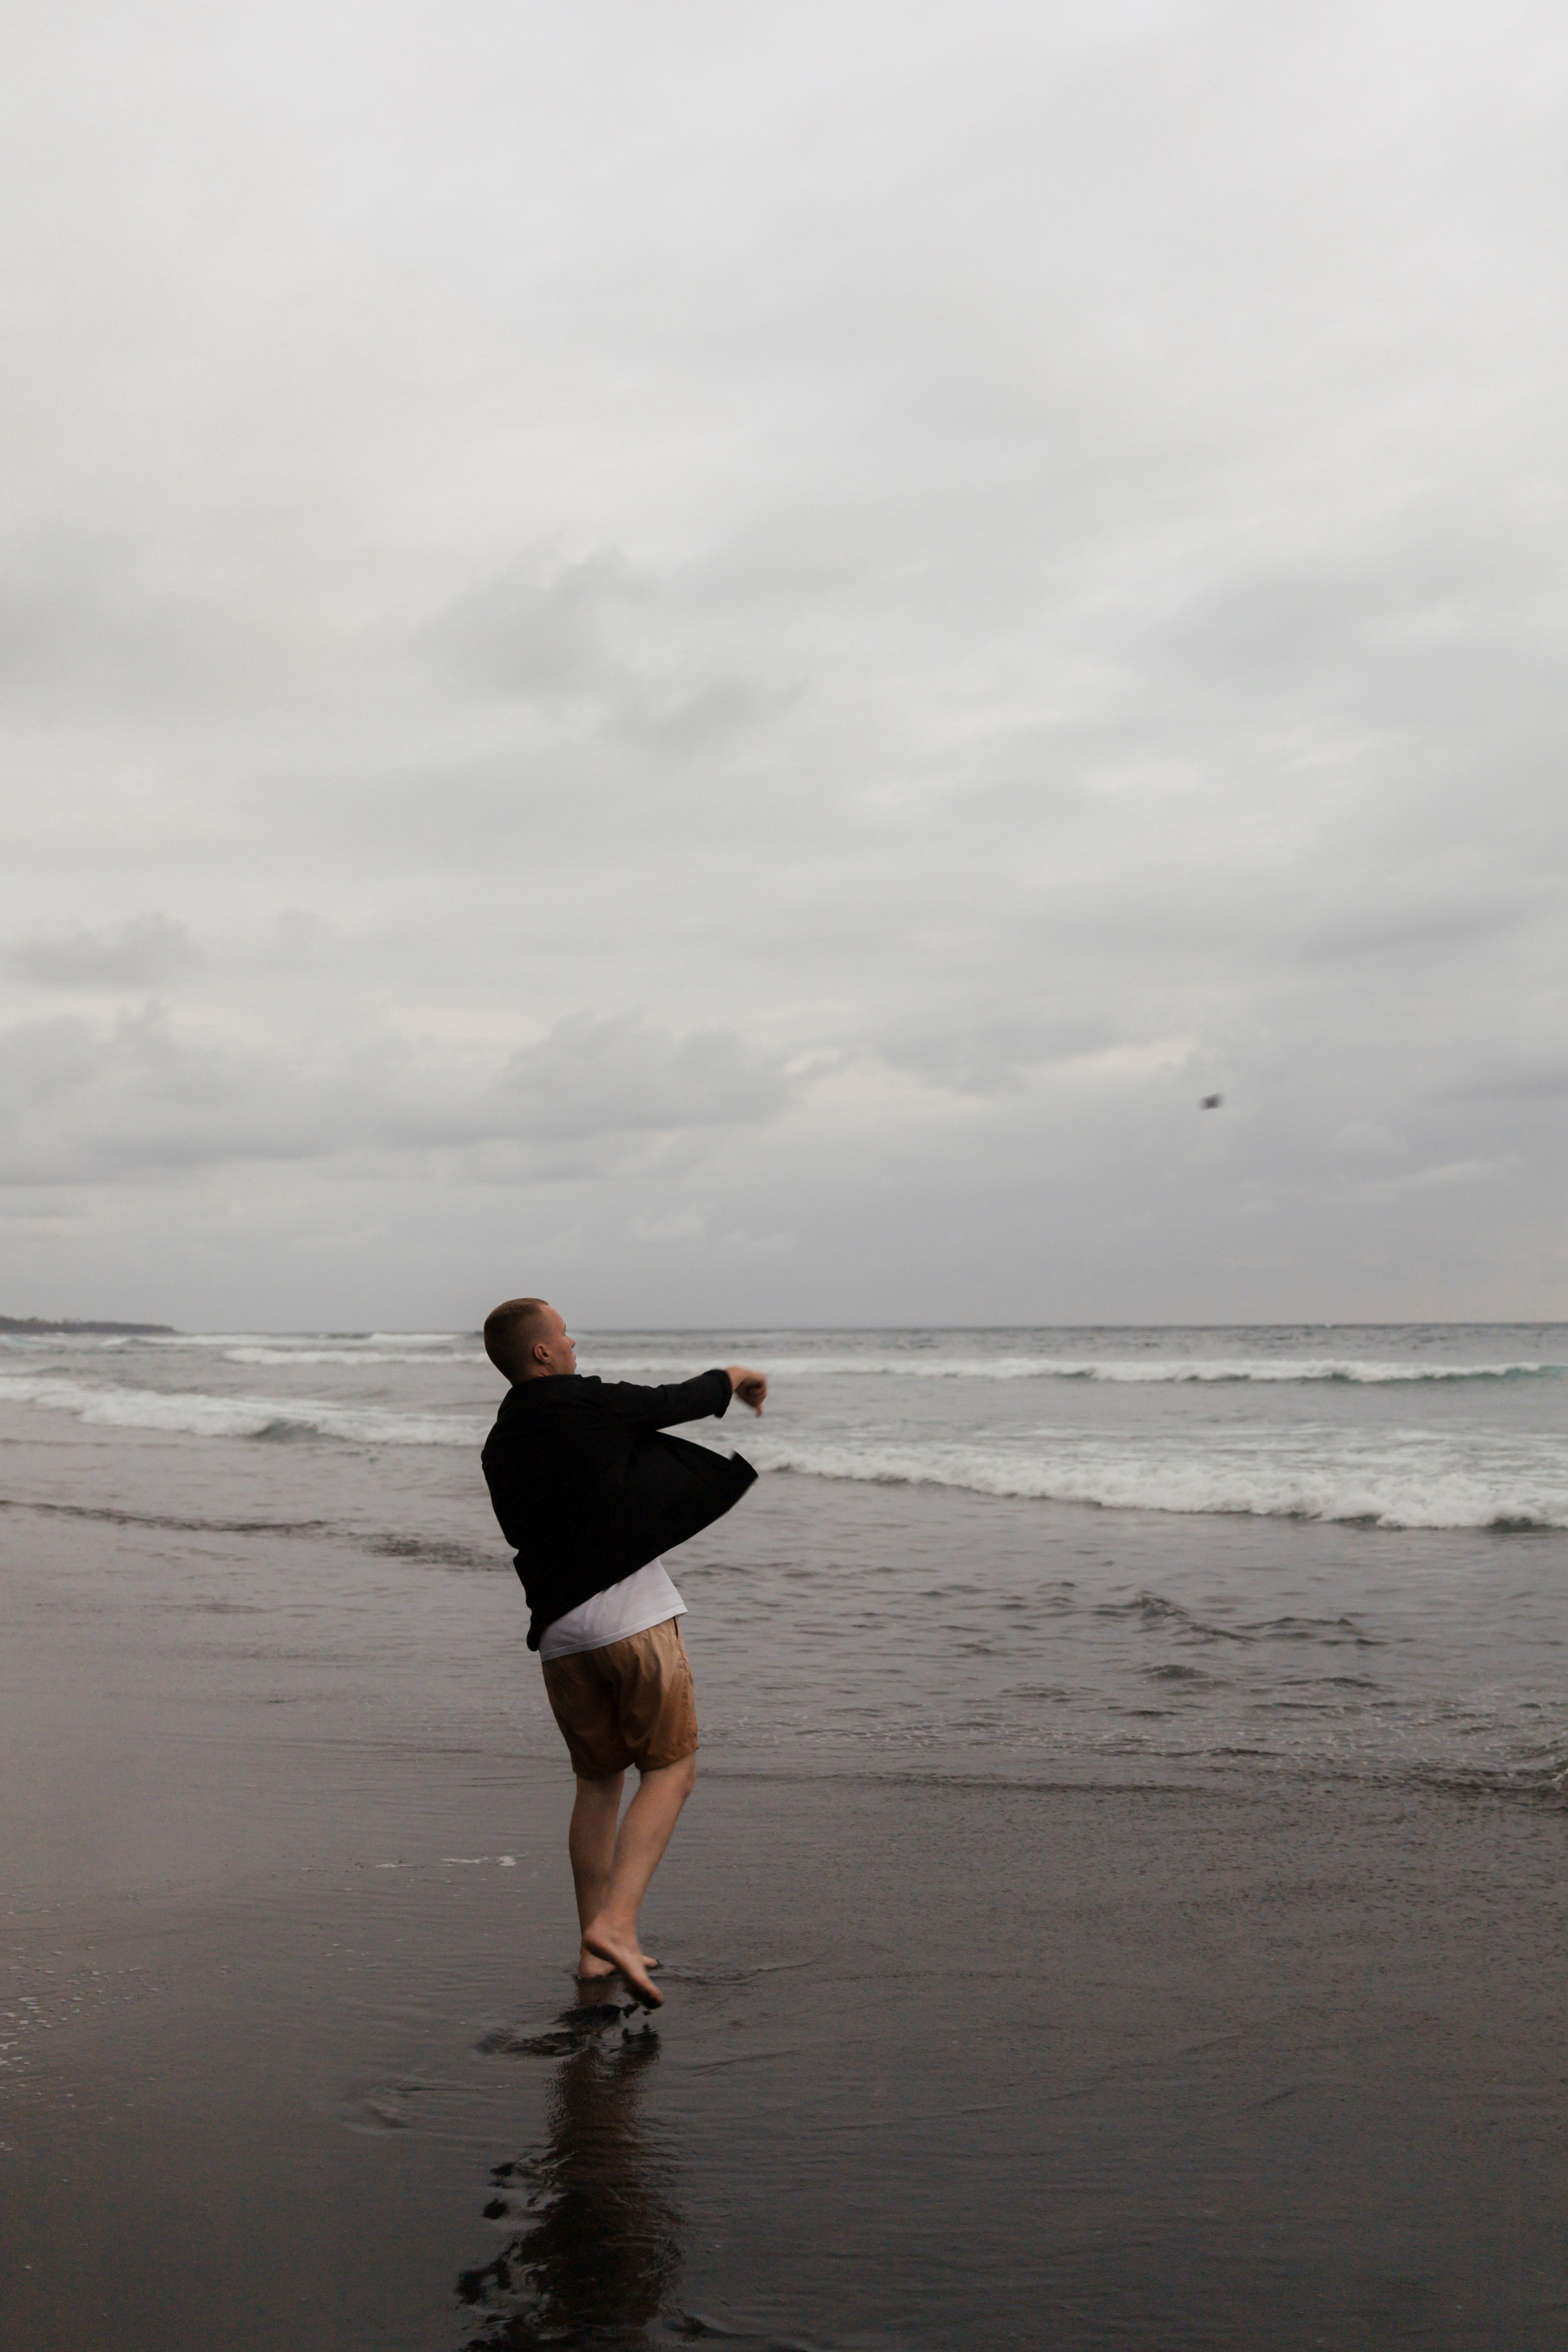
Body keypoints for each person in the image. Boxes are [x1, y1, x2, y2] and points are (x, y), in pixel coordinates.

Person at [480, 1298, 767, 2008]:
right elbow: (675, 1401)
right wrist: (736, 1375)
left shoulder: (500, 1442)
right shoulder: (581, 1404)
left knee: (598, 1782)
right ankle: (617, 1924)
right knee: (671, 1771)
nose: (572, 1342)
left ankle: (592, 1952)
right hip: (631, 1621)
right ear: (541, 1353)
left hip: (560, 1636)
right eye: (562, 1333)